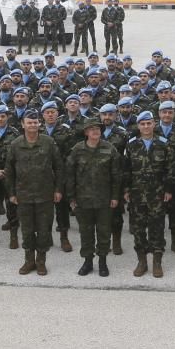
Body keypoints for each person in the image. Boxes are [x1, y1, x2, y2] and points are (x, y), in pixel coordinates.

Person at [5, 109, 64, 276]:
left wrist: (58, 189)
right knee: (27, 230)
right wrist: (11, 193)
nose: (32, 125)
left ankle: (41, 261)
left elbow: (59, 167)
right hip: (23, 195)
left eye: (35, 122)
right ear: (23, 125)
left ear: (40, 124)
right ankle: (29, 260)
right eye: (29, 122)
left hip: (45, 194)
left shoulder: (48, 142)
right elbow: (9, 171)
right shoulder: (16, 144)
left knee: (44, 229)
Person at [66, 118, 122, 277]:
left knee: (104, 232)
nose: (95, 131)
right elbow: (70, 174)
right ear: (86, 132)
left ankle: (102, 261)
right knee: (86, 232)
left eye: (98, 128)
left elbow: (116, 175)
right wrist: (71, 197)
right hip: (83, 200)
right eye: (91, 129)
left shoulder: (110, 148)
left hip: (104, 199)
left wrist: (115, 196)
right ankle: (88, 261)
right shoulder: (77, 150)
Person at [123, 111, 174, 278]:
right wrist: (126, 190)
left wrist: (168, 189)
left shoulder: (164, 144)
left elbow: (170, 169)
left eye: (149, 123)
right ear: (138, 126)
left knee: (157, 228)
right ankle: (142, 261)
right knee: (138, 229)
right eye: (143, 124)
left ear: (154, 124)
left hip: (157, 194)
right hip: (137, 194)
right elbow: (126, 170)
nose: (146, 127)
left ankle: (157, 261)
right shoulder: (131, 145)